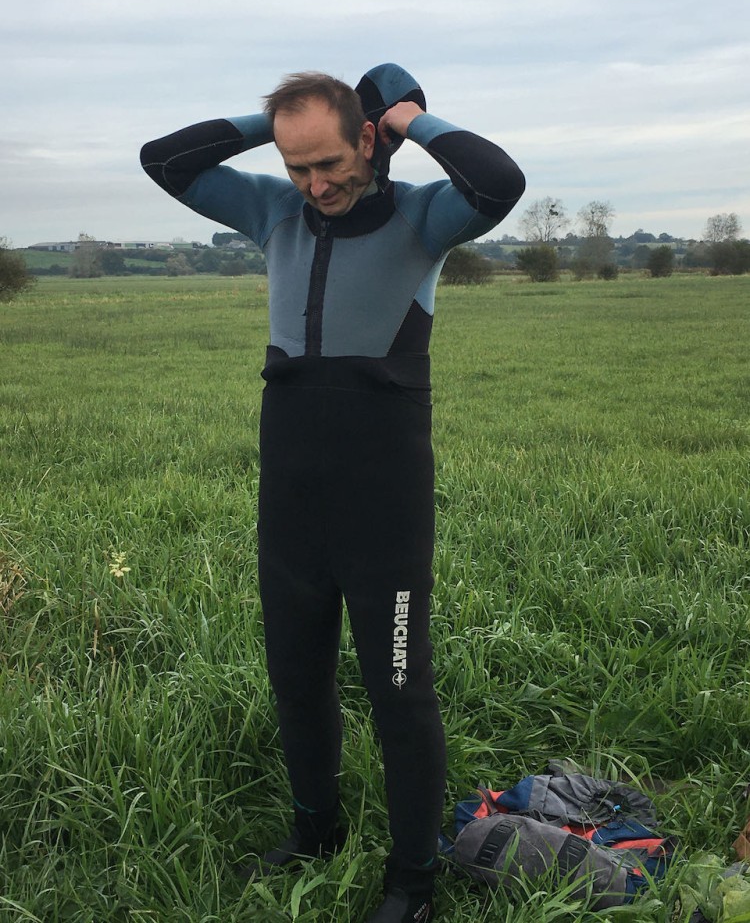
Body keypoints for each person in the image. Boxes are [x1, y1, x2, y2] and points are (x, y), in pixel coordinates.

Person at [140, 63, 525, 923]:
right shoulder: (273, 210)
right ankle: (315, 829)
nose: (316, 187)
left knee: (399, 687)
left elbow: (499, 180)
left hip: (382, 503)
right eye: (297, 167)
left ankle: (413, 882)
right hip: (292, 495)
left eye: (331, 164)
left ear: (366, 140)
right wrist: (276, 121)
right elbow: (164, 160)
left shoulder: (427, 221)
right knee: (297, 677)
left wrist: (408, 119)